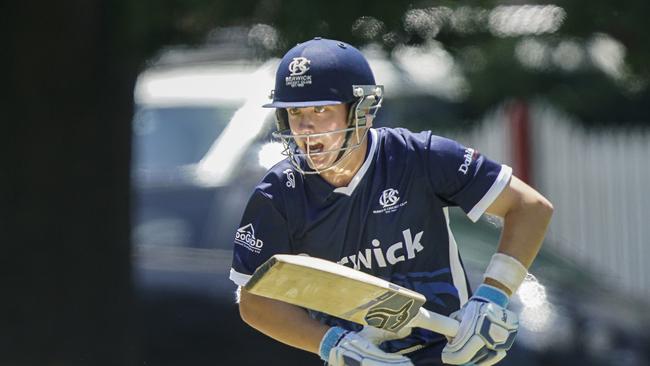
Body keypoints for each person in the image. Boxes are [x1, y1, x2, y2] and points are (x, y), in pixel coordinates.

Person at [229, 37, 553, 366]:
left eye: (321, 109)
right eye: (294, 112)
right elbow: (254, 300)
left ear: (363, 111)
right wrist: (334, 345)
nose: (305, 128)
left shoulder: (420, 157)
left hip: (448, 355)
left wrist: (492, 297)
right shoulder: (278, 193)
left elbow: (529, 207)